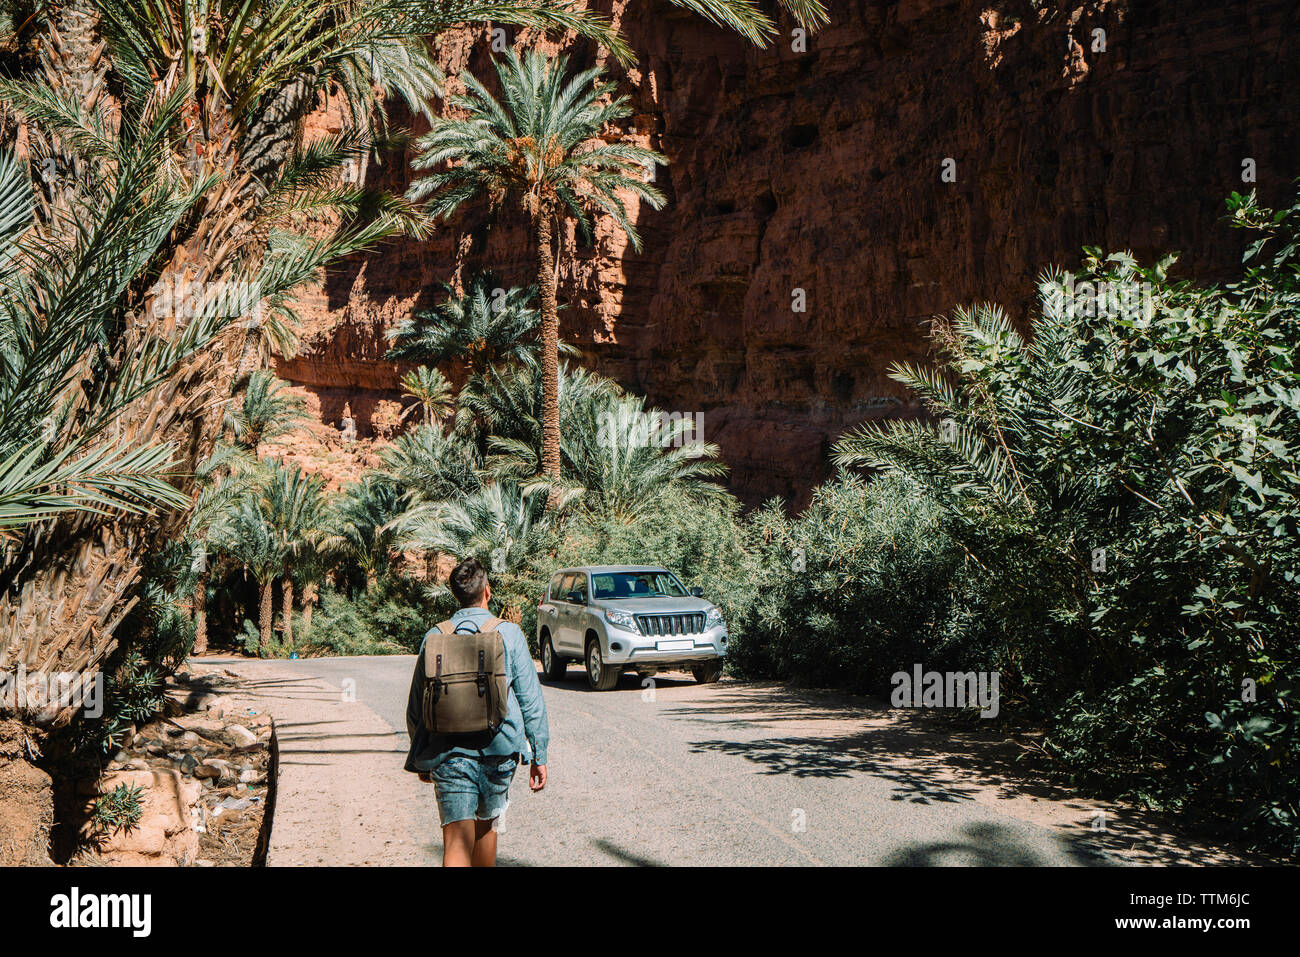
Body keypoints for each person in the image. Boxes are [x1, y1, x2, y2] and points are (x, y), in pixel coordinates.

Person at [404, 557, 549, 866]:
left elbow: (416, 706)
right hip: (499, 752)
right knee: (487, 831)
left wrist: (422, 757)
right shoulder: (508, 634)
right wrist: (539, 755)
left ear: (456, 595)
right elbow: (530, 700)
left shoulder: (434, 636)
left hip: (447, 753)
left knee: (456, 841)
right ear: (488, 591)